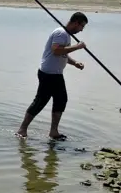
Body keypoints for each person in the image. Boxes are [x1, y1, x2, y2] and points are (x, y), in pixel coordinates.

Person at [15, 12, 89, 140]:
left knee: (61, 100)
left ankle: (54, 132)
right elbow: (56, 51)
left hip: (55, 74)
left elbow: (62, 54)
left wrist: (74, 63)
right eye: (82, 26)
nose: (81, 30)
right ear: (76, 23)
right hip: (48, 74)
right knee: (40, 101)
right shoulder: (61, 33)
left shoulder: (66, 35)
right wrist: (77, 47)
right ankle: (22, 130)